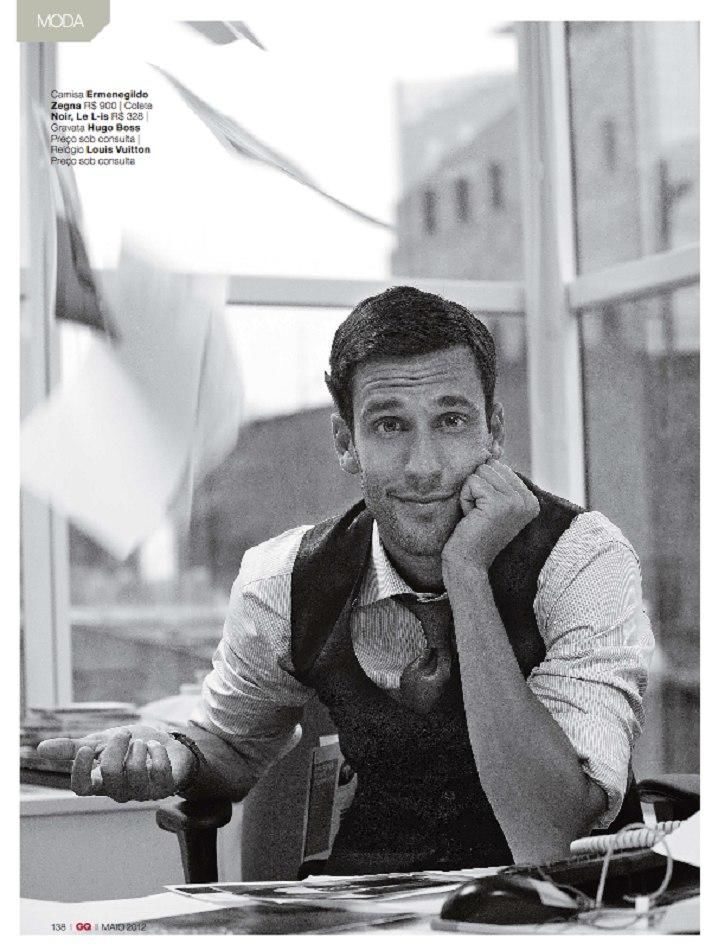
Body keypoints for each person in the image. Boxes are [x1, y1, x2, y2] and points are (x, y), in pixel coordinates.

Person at [40, 286, 654, 873]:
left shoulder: (583, 559)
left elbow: (549, 836)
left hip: (561, 908)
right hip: (368, 901)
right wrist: (170, 752)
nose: (424, 466)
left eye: (451, 420)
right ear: (345, 442)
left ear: (493, 431)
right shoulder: (284, 580)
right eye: (389, 425)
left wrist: (466, 575)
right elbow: (233, 747)